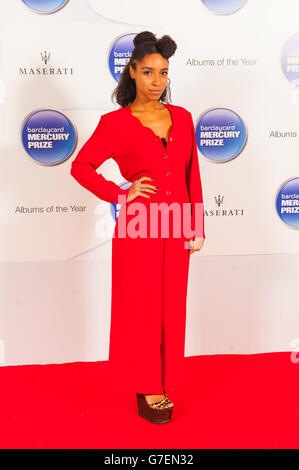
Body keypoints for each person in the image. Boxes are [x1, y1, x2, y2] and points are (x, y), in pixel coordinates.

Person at [70, 31, 205, 424]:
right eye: (148, 72)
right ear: (131, 72)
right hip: (139, 224)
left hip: (177, 224)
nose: (157, 81)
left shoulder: (181, 117)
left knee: (171, 307)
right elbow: (80, 166)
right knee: (142, 308)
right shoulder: (113, 124)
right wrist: (119, 194)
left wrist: (197, 223)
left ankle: (165, 380)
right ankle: (148, 386)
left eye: (163, 73)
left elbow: (191, 172)